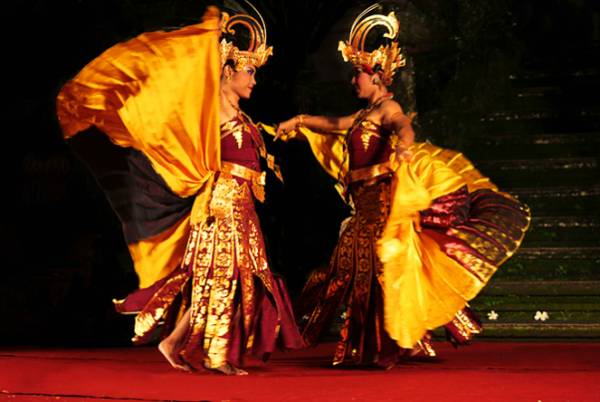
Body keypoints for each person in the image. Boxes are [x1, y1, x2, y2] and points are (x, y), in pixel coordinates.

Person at [275, 4, 530, 368]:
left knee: (386, 270)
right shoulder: (362, 114)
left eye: (357, 75)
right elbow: (333, 124)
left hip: (381, 207)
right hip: (363, 207)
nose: (353, 82)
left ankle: (394, 342)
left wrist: (406, 144)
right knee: (357, 270)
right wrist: (299, 121)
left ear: (377, 77)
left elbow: (402, 125)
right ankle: (400, 340)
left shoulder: (387, 108)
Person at [56, 4, 303, 375]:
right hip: (221, 208)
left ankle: (173, 342)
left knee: (218, 278)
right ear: (228, 70)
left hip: (243, 207)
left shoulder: (240, 113)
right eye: (249, 71)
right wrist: (206, 40)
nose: (254, 80)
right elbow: (185, 103)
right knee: (222, 277)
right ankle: (217, 356)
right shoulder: (213, 107)